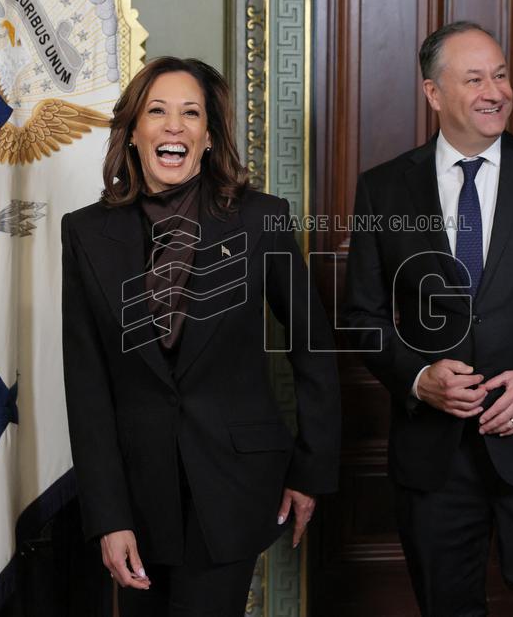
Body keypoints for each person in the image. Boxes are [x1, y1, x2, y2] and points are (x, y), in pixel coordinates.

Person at [342, 21, 513, 616]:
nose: (494, 91)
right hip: (433, 456)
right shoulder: (383, 189)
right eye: (474, 78)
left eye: (500, 75)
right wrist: (419, 378)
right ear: (433, 93)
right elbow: (362, 316)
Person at [61, 57, 340, 616]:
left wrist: (311, 471)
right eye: (157, 111)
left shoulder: (263, 220)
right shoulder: (85, 232)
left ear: (208, 137)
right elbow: (86, 383)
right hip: (135, 496)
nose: (173, 126)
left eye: (190, 114)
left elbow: (314, 346)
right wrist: (108, 515)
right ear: (133, 132)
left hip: (235, 485)